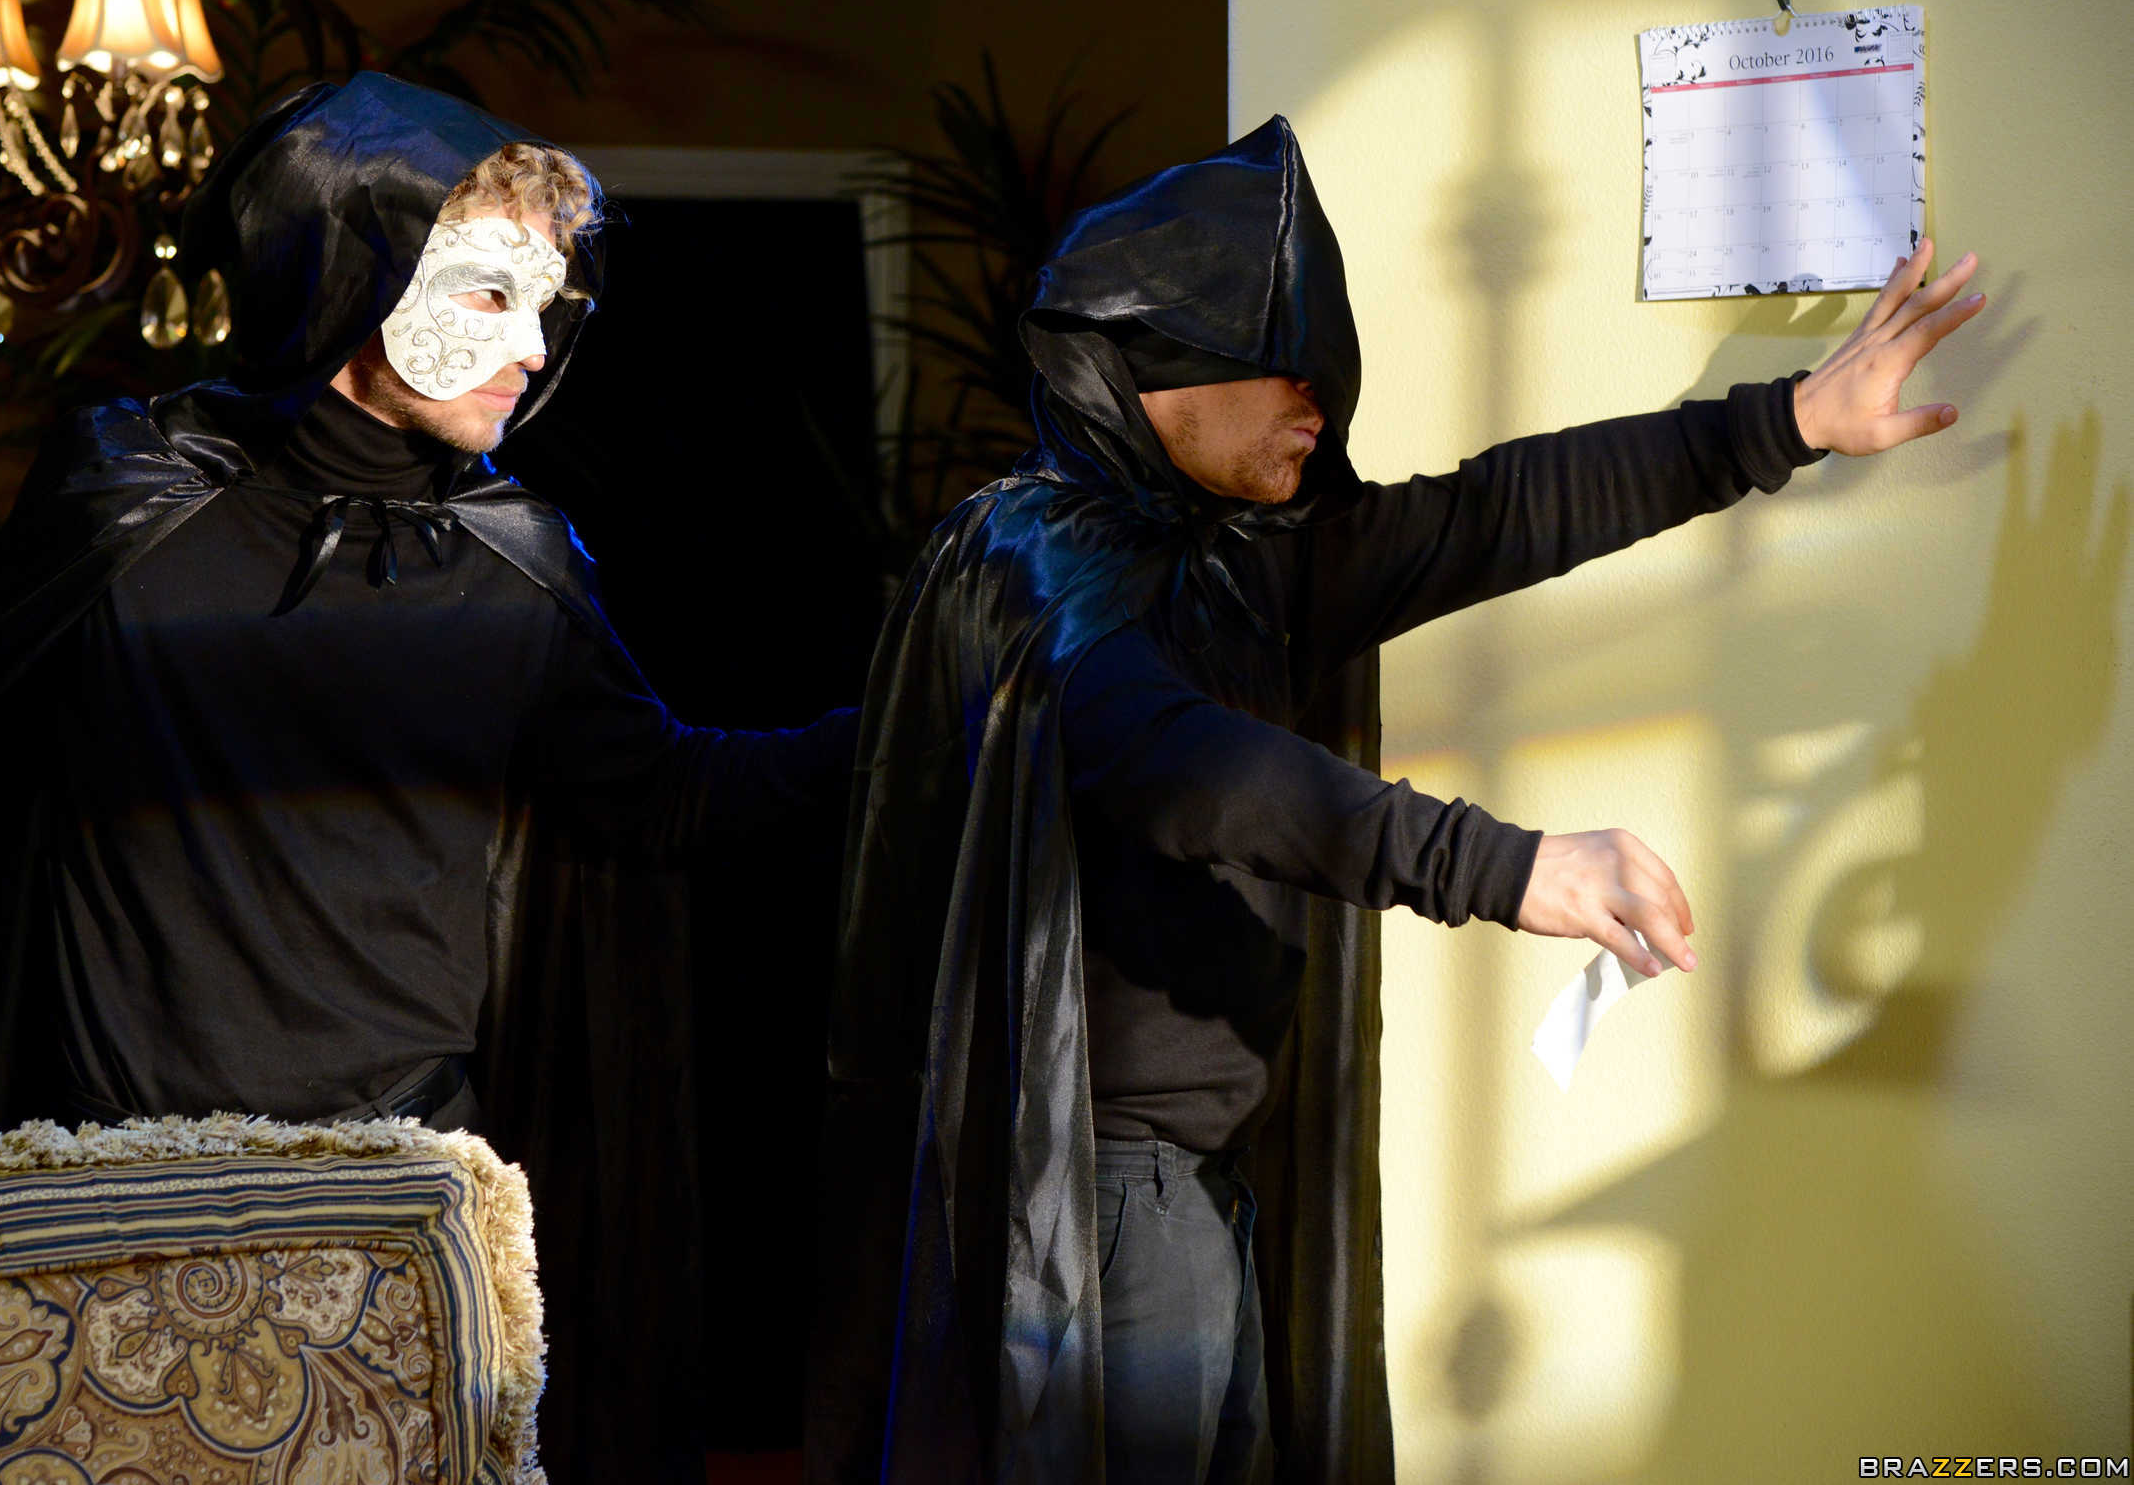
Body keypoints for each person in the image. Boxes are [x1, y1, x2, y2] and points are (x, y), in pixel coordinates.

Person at [0, 72, 855, 1483]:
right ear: (354, 280)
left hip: (407, 1188)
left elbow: (660, 796)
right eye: (491, 294)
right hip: (116, 1179)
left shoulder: (515, 565)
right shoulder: (132, 504)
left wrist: (909, 729)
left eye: (549, 303)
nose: (534, 344)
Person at [807, 117, 1982, 1483]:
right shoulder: (1039, 566)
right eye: (1288, 366)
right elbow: (1193, 770)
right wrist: (1505, 865)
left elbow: (1496, 513)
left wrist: (1785, 425)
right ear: (1166, 370)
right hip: (1101, 1205)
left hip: (1192, 1192)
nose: (1323, 401)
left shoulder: (1232, 561)